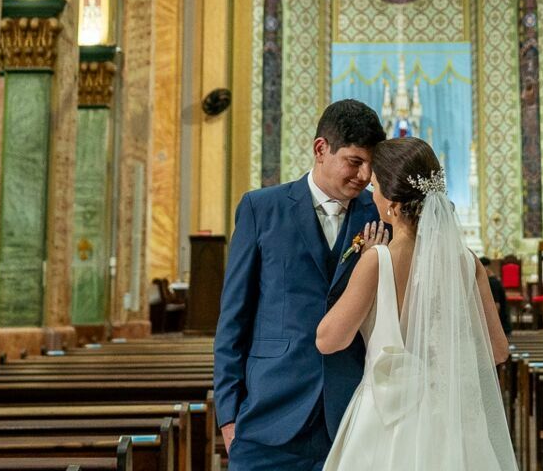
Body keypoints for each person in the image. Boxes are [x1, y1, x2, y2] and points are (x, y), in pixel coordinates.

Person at [315, 137, 514, 470]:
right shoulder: (467, 262)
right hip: (453, 423)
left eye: (375, 187)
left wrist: (361, 268)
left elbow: (328, 339)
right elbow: (498, 351)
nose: (372, 195)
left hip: (387, 423)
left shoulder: (377, 261)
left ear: (392, 203)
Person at [214, 100, 386, 470]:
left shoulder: (379, 214)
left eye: (371, 165)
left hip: (354, 412)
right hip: (269, 413)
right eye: (355, 162)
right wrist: (228, 417)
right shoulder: (261, 209)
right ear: (321, 149)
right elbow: (233, 319)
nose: (365, 175)